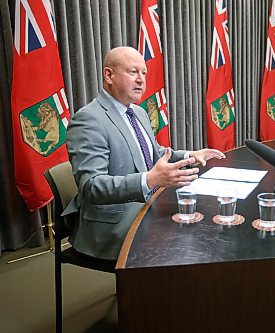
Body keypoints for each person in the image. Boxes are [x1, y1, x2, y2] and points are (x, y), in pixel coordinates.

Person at [64, 46, 225, 260]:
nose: (141, 80)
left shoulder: (137, 112)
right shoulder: (88, 120)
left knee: (204, 222)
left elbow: (153, 154)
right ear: (108, 75)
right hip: (113, 224)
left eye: (144, 73)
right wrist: (149, 179)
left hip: (148, 207)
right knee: (187, 240)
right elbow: (92, 186)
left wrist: (190, 155)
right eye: (133, 72)